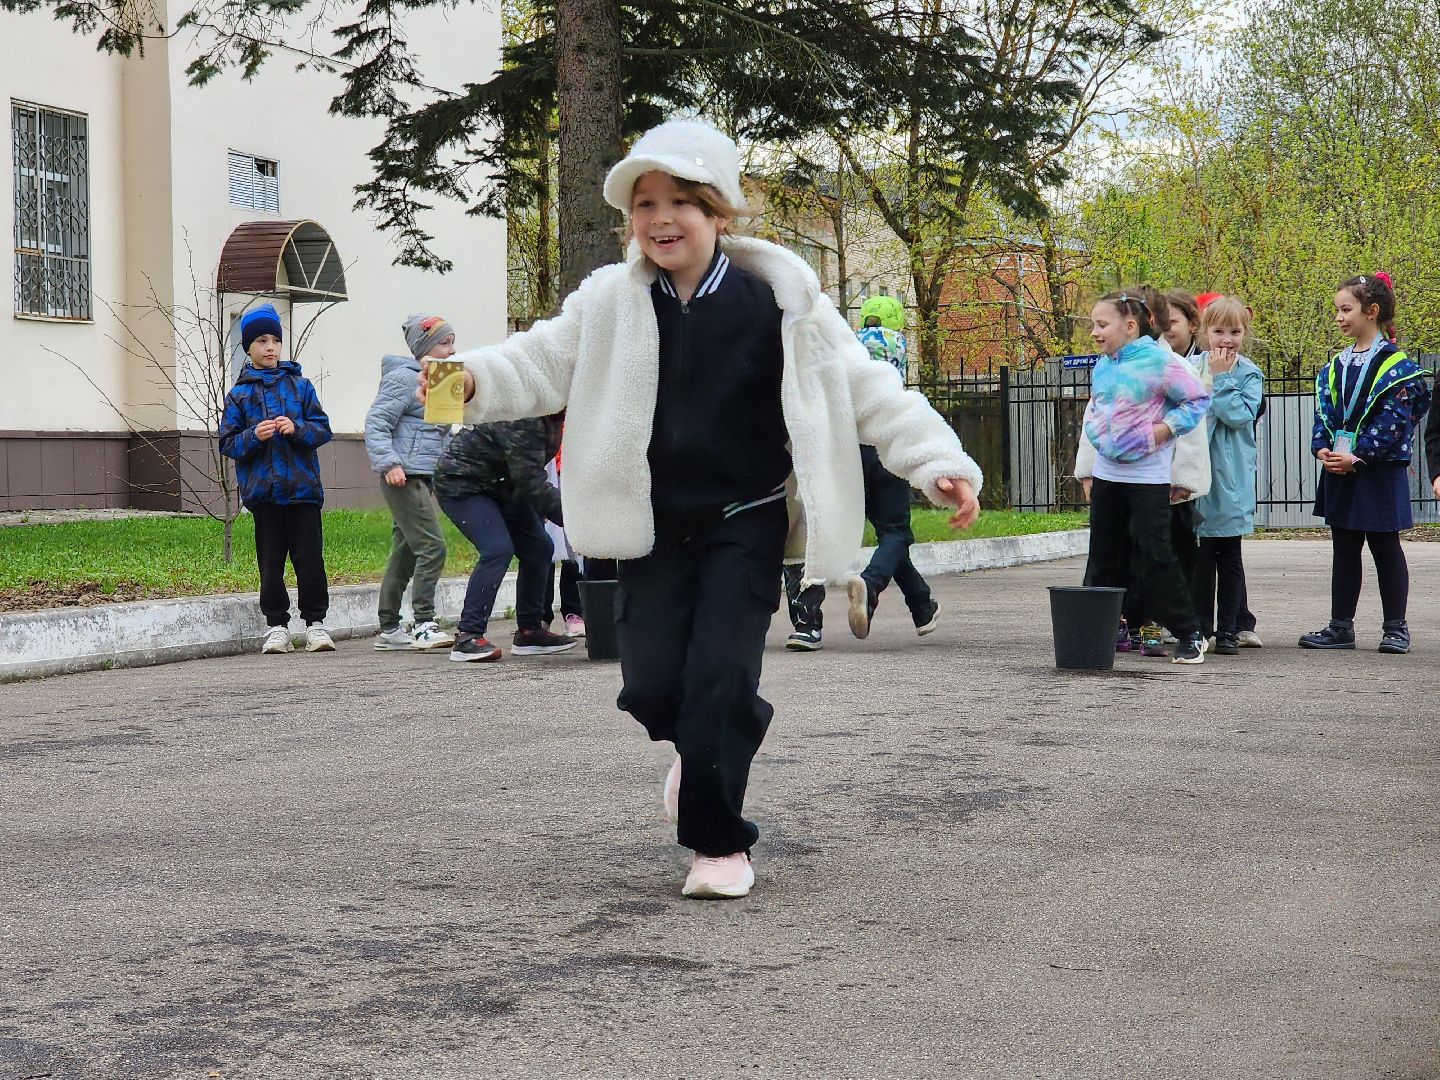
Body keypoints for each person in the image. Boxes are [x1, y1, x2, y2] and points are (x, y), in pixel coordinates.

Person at [427, 119, 982, 899]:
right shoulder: (609, 304)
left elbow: (866, 389)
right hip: (649, 527)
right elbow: (537, 360)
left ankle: (720, 844)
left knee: (720, 675)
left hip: (744, 521)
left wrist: (937, 463)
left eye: (683, 201)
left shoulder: (779, 304)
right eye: (645, 201)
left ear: (721, 214)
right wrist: (459, 382)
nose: (661, 217)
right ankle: (702, 742)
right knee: (652, 686)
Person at [781, 294, 941, 650]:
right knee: (896, 533)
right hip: (882, 445)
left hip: (846, 452)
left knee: (890, 535)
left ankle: (922, 606)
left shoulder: (849, 346)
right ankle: (869, 585)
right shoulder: (896, 345)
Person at [1299, 273, 1431, 654]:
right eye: (1337, 310)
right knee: (1344, 545)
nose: (1339, 317)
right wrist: (1322, 448)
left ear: (1371, 312)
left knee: (1386, 546)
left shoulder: (1397, 366)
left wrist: (1360, 455)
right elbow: (1324, 414)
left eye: (1346, 309)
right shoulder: (1336, 365)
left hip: (1378, 470)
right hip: (1340, 467)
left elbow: (1396, 420)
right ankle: (1340, 626)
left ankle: (1396, 628)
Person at [1080, 289, 1211, 664]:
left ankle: (1189, 633)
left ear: (1130, 325)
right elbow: (1098, 408)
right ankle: (1094, 633)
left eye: (1102, 324)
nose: (1095, 331)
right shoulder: (1105, 364)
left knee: (1155, 555)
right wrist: (1093, 441)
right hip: (1107, 473)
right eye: (1094, 324)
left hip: (1147, 476)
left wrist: (1165, 430)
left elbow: (1197, 400)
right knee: (1103, 557)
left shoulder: (1160, 363)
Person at [218, 303, 336, 655]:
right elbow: (228, 442)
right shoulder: (240, 395)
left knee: (310, 560)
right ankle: (277, 626)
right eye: (261, 341)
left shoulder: (301, 387)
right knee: (270, 563)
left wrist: (296, 428)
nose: (270, 347)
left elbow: (322, 429)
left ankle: (315, 624)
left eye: (275, 340)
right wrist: (255, 435)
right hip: (264, 496)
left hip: (303, 491)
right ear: (248, 348)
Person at [433, 414, 577, 661]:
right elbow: (532, 483)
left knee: (540, 548)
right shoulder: (525, 416)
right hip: (463, 482)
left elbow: (527, 475)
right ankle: (468, 635)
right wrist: (578, 524)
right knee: (497, 548)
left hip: (503, 485)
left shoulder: (553, 417)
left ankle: (530, 632)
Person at [364, 314, 456, 652]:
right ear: (425, 347)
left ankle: (389, 627)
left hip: (423, 475)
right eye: (444, 343)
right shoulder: (404, 380)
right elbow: (376, 422)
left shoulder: (443, 380)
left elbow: (442, 433)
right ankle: (423, 623)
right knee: (433, 547)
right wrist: (388, 463)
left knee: (405, 552)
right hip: (402, 475)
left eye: (451, 342)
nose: (451, 349)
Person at [1190, 296, 1263, 654]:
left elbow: (1238, 415)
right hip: (1198, 474)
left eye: (1235, 332)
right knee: (1201, 559)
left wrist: (1220, 381)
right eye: (1219, 330)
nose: (1226, 339)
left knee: (1230, 556)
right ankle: (1201, 627)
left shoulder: (1249, 373)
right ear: (1205, 332)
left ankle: (1230, 628)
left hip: (1230, 478)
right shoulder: (1190, 368)